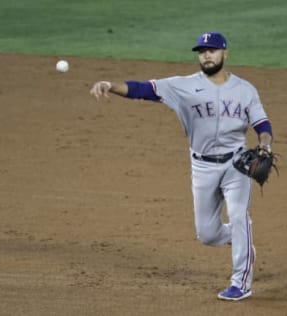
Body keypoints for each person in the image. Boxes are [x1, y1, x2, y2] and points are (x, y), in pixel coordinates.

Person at [90, 31, 273, 301]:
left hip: (237, 164)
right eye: (202, 51)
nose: (206, 55)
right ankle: (240, 241)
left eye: (211, 50)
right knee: (207, 234)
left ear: (225, 53)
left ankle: (240, 283)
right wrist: (111, 85)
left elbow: (262, 125)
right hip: (202, 167)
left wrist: (265, 145)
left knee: (238, 216)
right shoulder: (182, 86)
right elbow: (144, 90)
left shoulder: (245, 89)